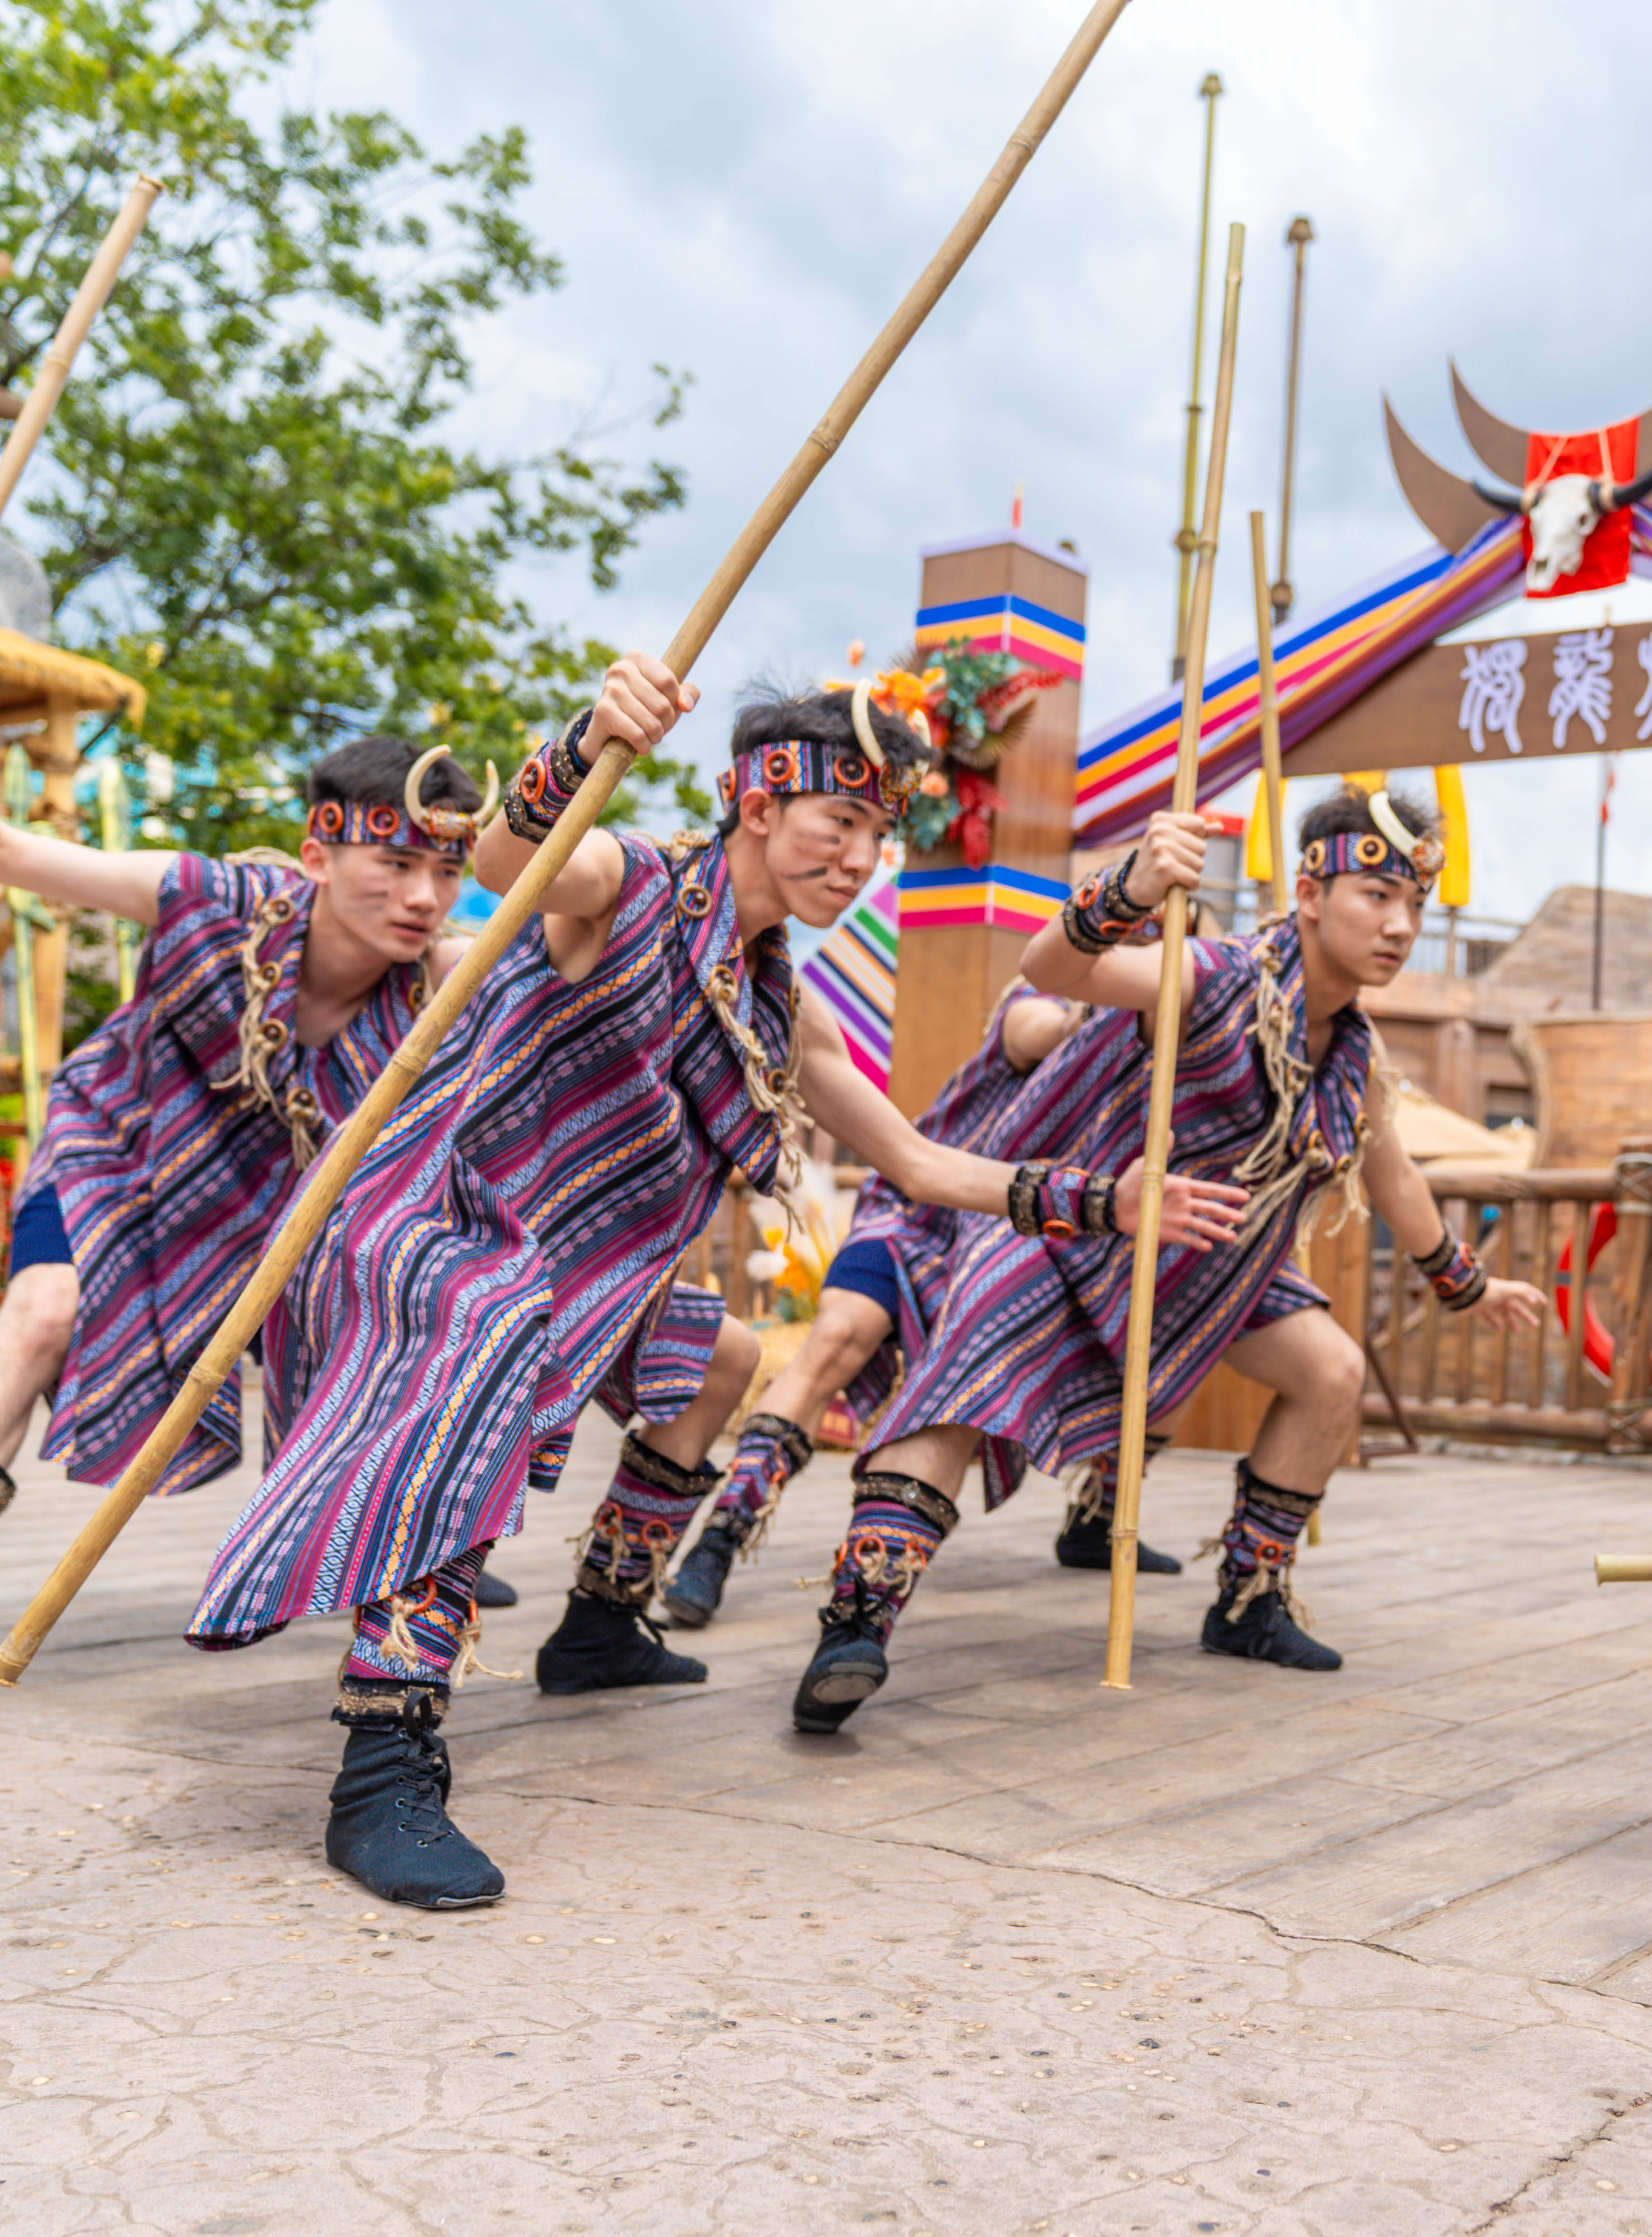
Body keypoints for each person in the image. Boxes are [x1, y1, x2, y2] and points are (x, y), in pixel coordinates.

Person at [190, 665, 1243, 1910]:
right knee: (485, 1356)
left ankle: (601, 1625)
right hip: (443, 1229)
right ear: (756, 803)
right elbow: (515, 857)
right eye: (838, 822)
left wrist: (1104, 1199)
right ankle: (383, 1762)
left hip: (588, 1274)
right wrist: (591, 737)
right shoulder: (630, 882)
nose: (860, 859)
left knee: (724, 1359)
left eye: (879, 835)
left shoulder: (781, 1002)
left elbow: (913, 1160)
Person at [0, 685, 486, 1744]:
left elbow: (581, 957)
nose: (424, 895)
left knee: (415, 1319)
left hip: (271, 1213)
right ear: (317, 854)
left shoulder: (446, 980)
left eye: (446, 870)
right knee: (42, 1311)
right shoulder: (209, 895)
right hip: (116, 1148)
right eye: (395, 861)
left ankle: (410, 1548)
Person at [797, 784, 1543, 1735]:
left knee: (1331, 1370)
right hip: (1072, 1229)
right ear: (1309, 894)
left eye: (1413, 904)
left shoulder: (1354, 1055)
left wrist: (1470, 1286)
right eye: (1376, 895)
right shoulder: (1210, 971)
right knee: (963, 1390)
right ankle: (857, 1622)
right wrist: (1136, 885)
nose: (1400, 925)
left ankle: (1249, 1601)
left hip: (1210, 1268)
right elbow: (1052, 967)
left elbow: (1394, 1180)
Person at [657, 984, 1175, 1632]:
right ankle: (723, 1533)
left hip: (1011, 1253)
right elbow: (1033, 1030)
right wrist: (1106, 1006)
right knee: (838, 1338)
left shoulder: (1146, 1083)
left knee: (1174, 1332)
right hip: (916, 1217)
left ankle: (1096, 1519)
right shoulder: (1041, 1005)